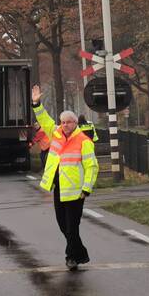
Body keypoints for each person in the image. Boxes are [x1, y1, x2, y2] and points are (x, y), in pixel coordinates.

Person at [32, 84, 98, 271]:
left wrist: (87, 188)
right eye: (63, 122)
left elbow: (91, 166)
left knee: (72, 227)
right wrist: (36, 103)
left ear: (75, 123)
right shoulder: (56, 134)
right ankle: (81, 253)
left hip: (76, 192)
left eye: (69, 122)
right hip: (59, 188)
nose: (65, 125)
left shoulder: (83, 141)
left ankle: (71, 258)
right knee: (63, 225)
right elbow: (44, 119)